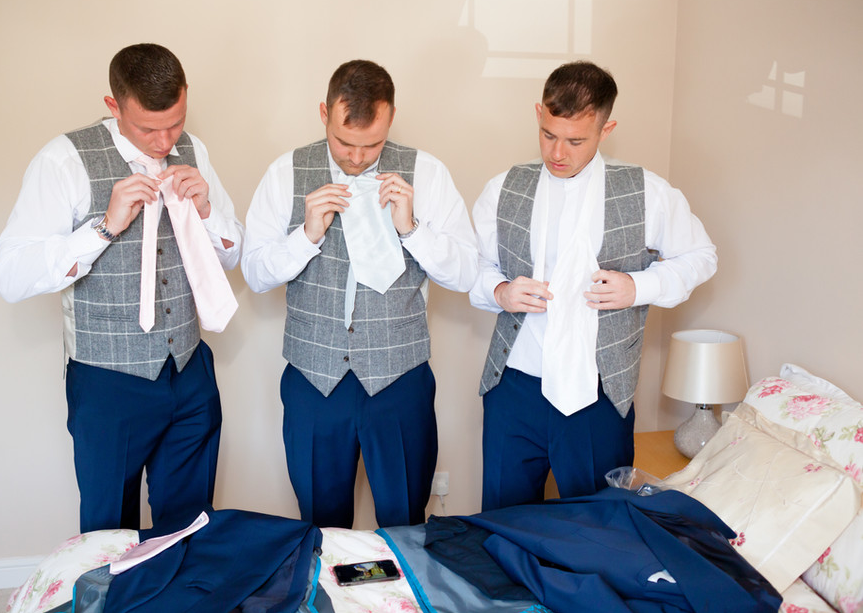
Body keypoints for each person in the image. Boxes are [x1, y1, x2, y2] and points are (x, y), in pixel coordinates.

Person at [0, 43, 243, 532]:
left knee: (191, 526)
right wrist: (103, 227)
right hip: (107, 380)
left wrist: (208, 211)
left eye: (175, 123)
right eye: (148, 129)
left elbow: (233, 256)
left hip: (190, 369)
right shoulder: (63, 160)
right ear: (114, 105)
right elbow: (10, 275)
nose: (164, 141)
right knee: (109, 534)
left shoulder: (194, 151)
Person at [471, 60, 717, 510]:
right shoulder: (502, 187)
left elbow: (702, 256)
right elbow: (478, 266)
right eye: (548, 134)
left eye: (575, 140)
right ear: (539, 113)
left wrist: (638, 287)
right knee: (504, 523)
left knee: (599, 525)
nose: (557, 152)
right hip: (514, 387)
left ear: (607, 130)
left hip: (599, 392)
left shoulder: (648, 192)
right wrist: (500, 292)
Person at [242, 59, 478, 528]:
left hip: (400, 380)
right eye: (344, 142)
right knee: (320, 524)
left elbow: (467, 273)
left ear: (391, 119)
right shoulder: (286, 172)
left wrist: (412, 229)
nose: (356, 158)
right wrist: (306, 236)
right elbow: (254, 273)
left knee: (406, 519)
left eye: (372, 145)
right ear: (324, 113)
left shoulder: (427, 173)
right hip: (314, 380)